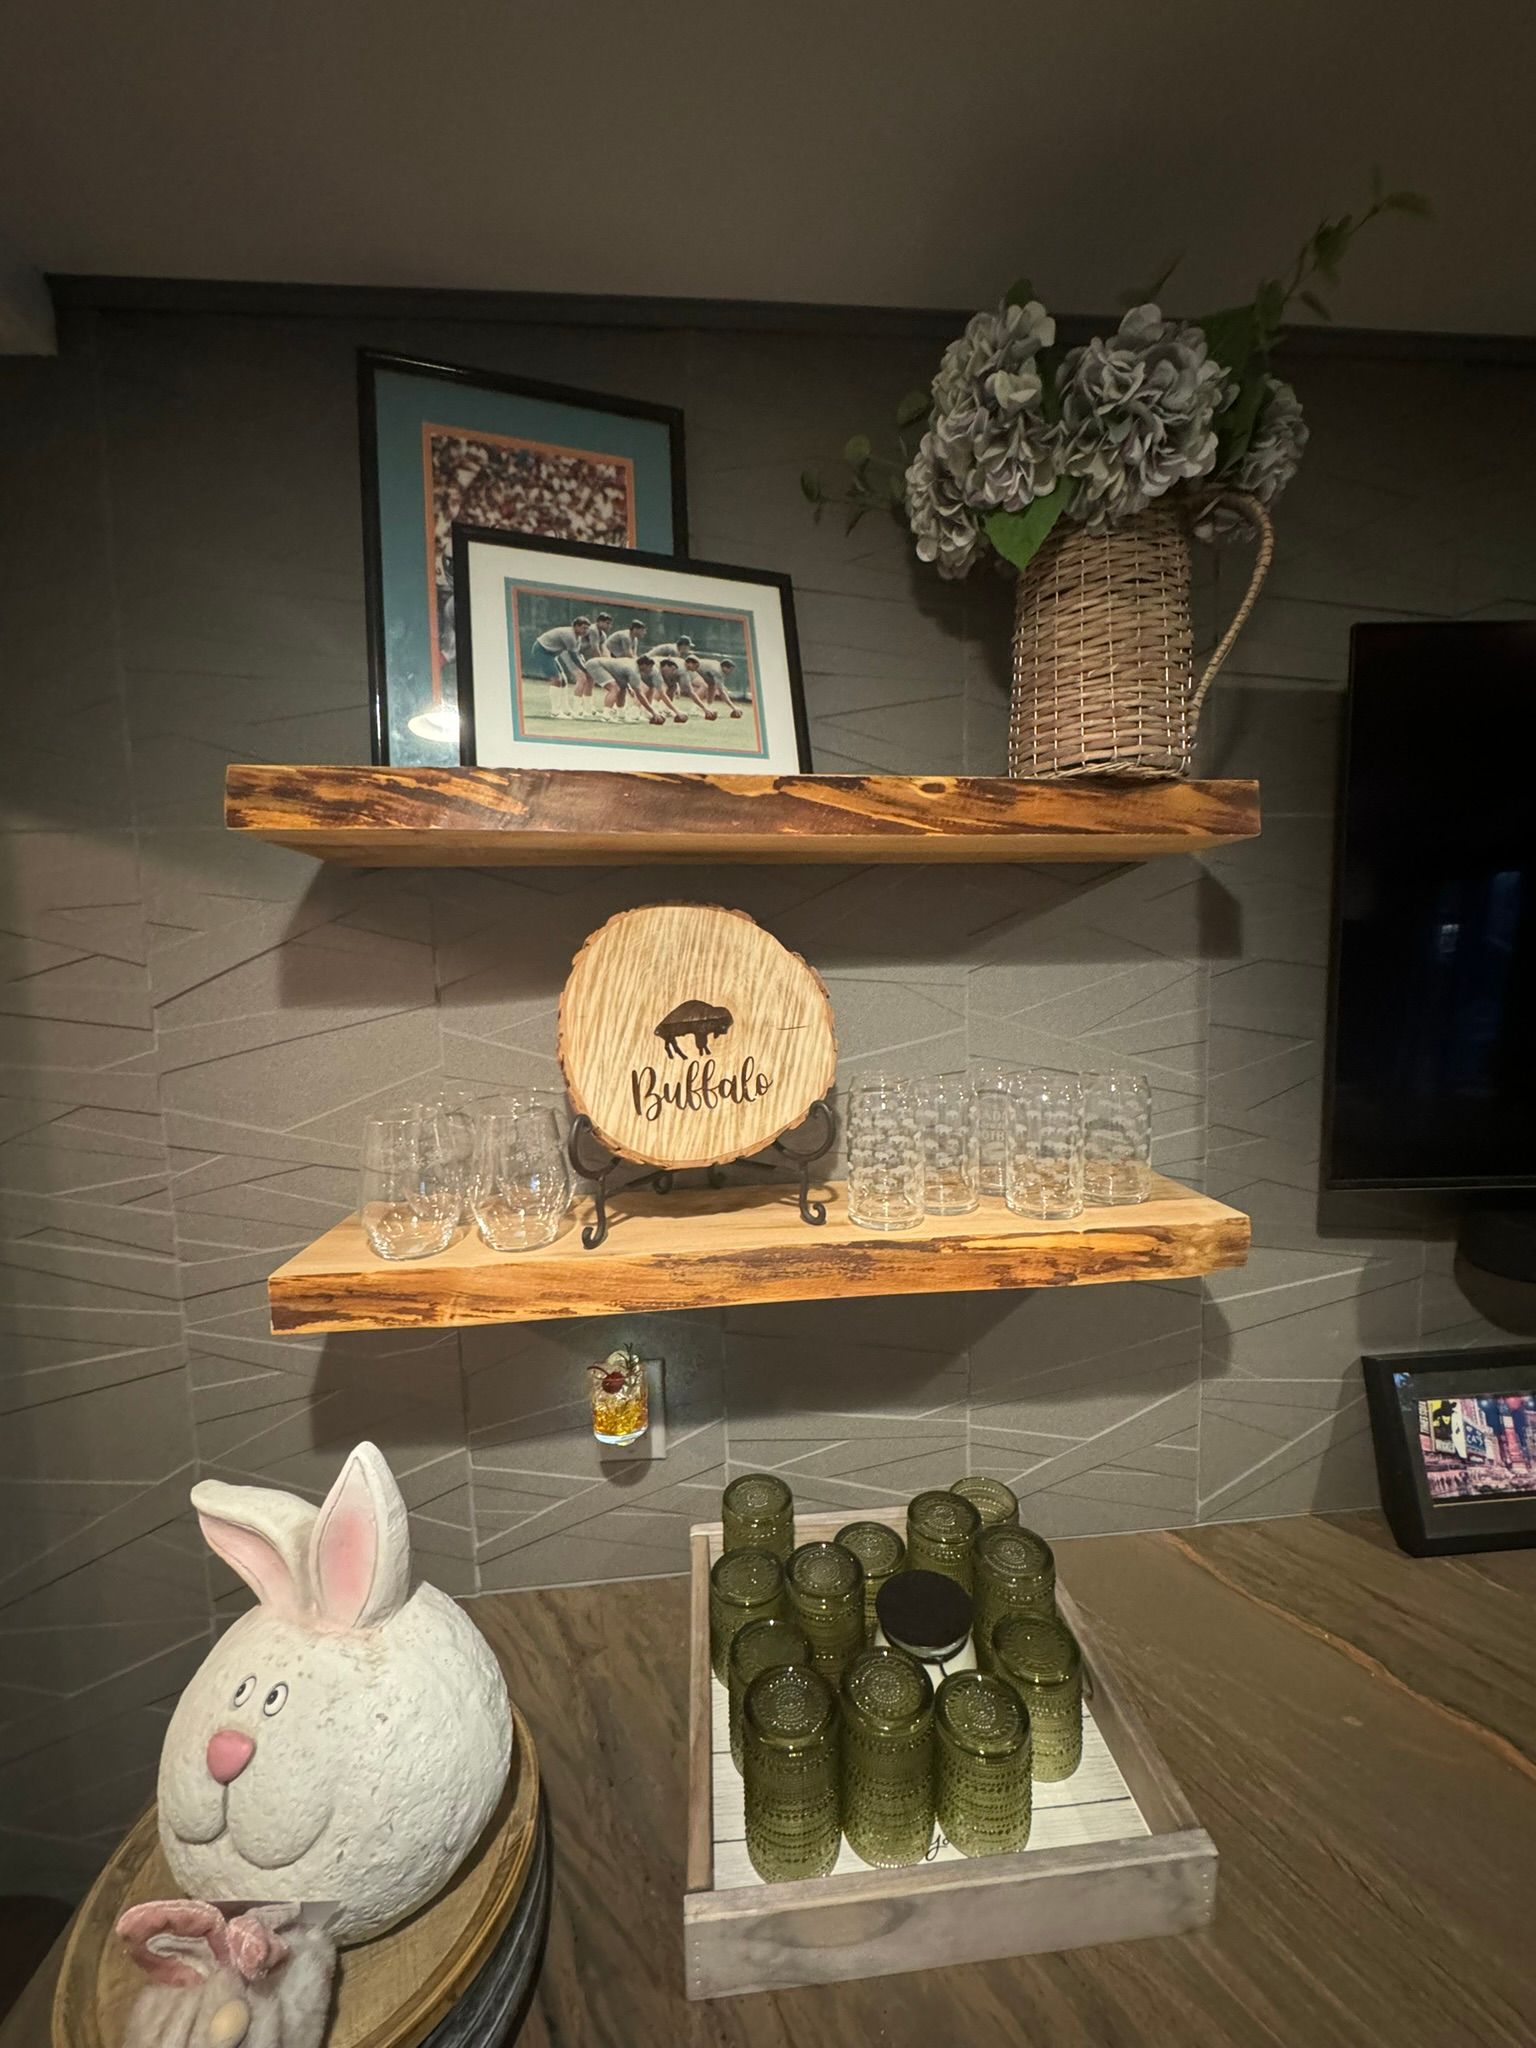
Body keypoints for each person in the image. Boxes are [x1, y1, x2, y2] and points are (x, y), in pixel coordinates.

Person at [531, 615, 593, 719]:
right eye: (583, 628)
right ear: (576, 626)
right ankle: (555, 712)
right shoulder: (569, 635)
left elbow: (577, 654)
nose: (585, 631)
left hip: (551, 654)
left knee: (563, 680)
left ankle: (565, 710)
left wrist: (584, 668)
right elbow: (573, 656)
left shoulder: (578, 637)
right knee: (556, 680)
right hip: (542, 651)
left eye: (587, 628)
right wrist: (585, 670)